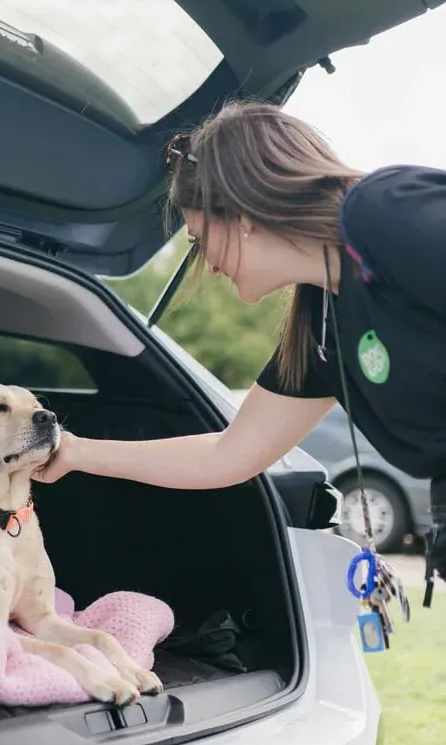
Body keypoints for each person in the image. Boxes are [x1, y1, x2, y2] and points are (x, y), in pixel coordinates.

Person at [34, 100, 446, 591]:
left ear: (241, 214)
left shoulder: (386, 212)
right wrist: (77, 453)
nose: (207, 264)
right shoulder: (318, 330)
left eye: (198, 237)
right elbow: (229, 455)